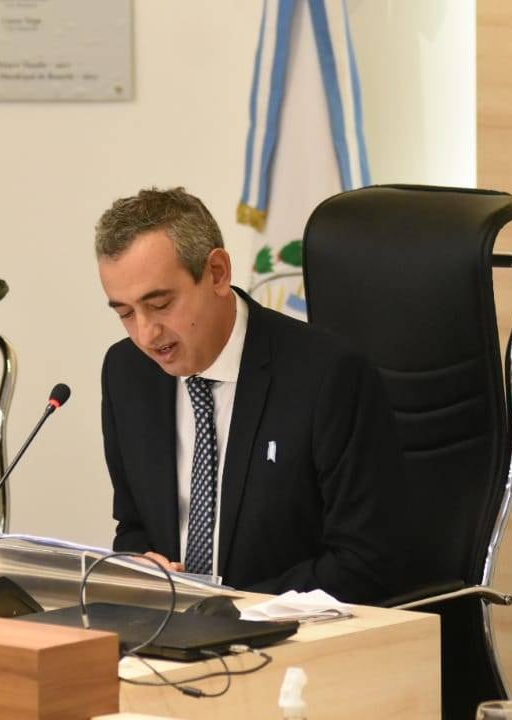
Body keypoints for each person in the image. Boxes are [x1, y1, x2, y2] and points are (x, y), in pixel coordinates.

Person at [95, 187, 405, 604]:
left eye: (161, 304)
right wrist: (139, 567)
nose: (146, 334)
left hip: (292, 639)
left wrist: (224, 611)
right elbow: (133, 525)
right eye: (125, 313)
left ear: (218, 273)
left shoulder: (326, 377)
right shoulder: (127, 373)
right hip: (171, 637)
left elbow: (364, 562)